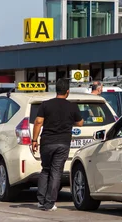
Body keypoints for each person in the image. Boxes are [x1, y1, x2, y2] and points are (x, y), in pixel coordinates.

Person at [32, 79, 84, 211]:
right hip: (63, 143)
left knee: (45, 170)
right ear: (67, 92)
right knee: (56, 172)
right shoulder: (72, 106)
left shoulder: (46, 105)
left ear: (56, 90)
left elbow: (38, 122)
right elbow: (80, 123)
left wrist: (34, 140)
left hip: (47, 143)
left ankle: (41, 200)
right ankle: (49, 203)